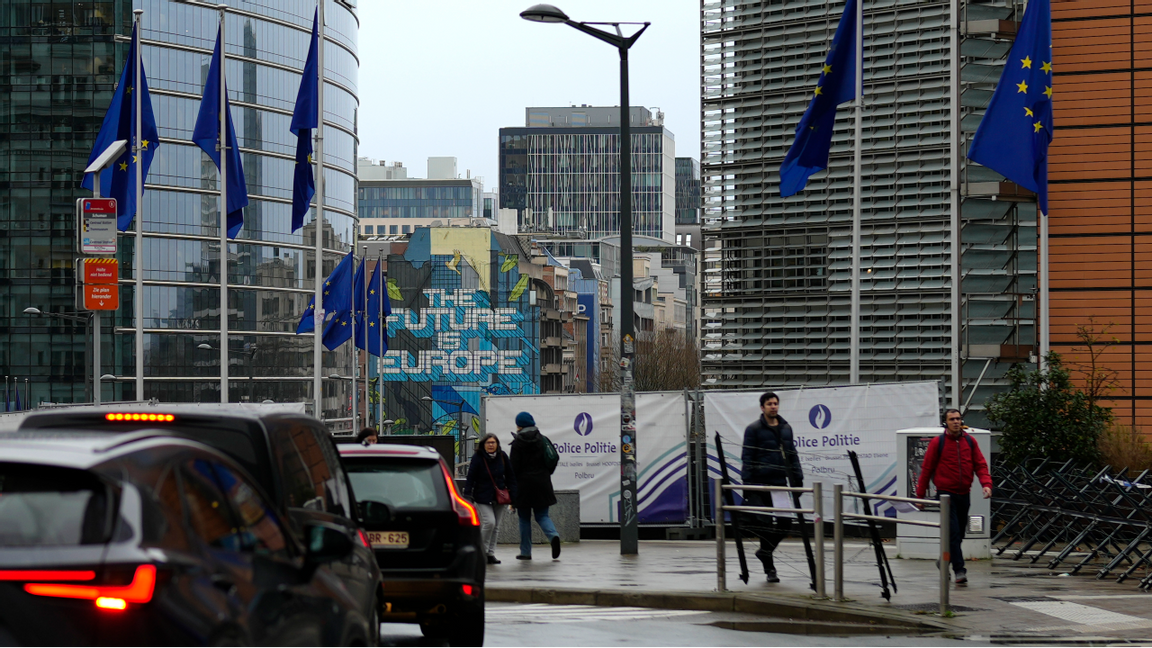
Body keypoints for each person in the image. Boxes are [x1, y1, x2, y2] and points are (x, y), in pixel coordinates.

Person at [915, 408, 993, 585]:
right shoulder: (938, 443)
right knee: (953, 533)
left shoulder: (970, 441)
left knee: (958, 535)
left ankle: (944, 561)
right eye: (952, 419)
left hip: (964, 494)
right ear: (946, 422)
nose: (956, 422)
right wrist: (920, 496)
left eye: (958, 419)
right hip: (945, 495)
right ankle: (960, 570)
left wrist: (986, 484)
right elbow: (926, 470)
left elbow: (980, 465)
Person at [741, 391, 803, 583]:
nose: (773, 406)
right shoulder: (753, 429)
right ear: (762, 407)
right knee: (765, 526)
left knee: (785, 523)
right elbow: (747, 458)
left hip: (780, 483)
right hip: (760, 484)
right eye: (769, 404)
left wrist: (798, 479)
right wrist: (748, 486)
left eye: (775, 403)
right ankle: (770, 570)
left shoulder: (786, 428)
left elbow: (792, 454)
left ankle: (765, 552)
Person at [508, 411, 561, 560]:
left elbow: (514, 468)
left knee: (524, 519)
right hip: (542, 483)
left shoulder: (517, 443)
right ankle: (553, 536)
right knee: (542, 515)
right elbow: (553, 458)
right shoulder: (543, 439)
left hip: (523, 486)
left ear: (518, 425)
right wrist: (545, 473)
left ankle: (525, 552)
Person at [463, 433, 517, 564]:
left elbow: (510, 476)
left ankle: (490, 553)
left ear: (497, 444)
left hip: (500, 497)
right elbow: (471, 477)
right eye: (488, 443)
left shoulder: (502, 456)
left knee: (496, 526)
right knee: (490, 522)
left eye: (493, 442)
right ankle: (479, 550)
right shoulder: (478, 457)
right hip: (482, 496)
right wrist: (467, 495)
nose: (491, 445)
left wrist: (514, 497)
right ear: (483, 445)